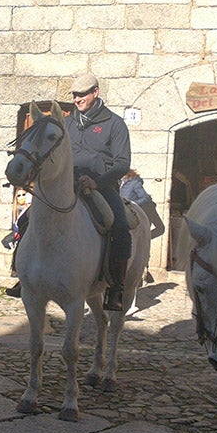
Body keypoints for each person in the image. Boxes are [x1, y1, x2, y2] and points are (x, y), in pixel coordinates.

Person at [66, 73, 132, 310]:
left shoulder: (115, 124)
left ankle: (116, 288)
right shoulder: (68, 123)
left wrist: (98, 182)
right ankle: (25, 275)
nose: (77, 99)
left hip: (101, 187)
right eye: (74, 95)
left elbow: (122, 163)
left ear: (95, 92)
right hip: (68, 185)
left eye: (82, 94)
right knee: (31, 216)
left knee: (121, 226)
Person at [120, 170, 166, 238]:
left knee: (160, 228)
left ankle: (144, 239)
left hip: (146, 209)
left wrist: (131, 203)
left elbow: (145, 198)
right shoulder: (119, 184)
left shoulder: (134, 183)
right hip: (131, 212)